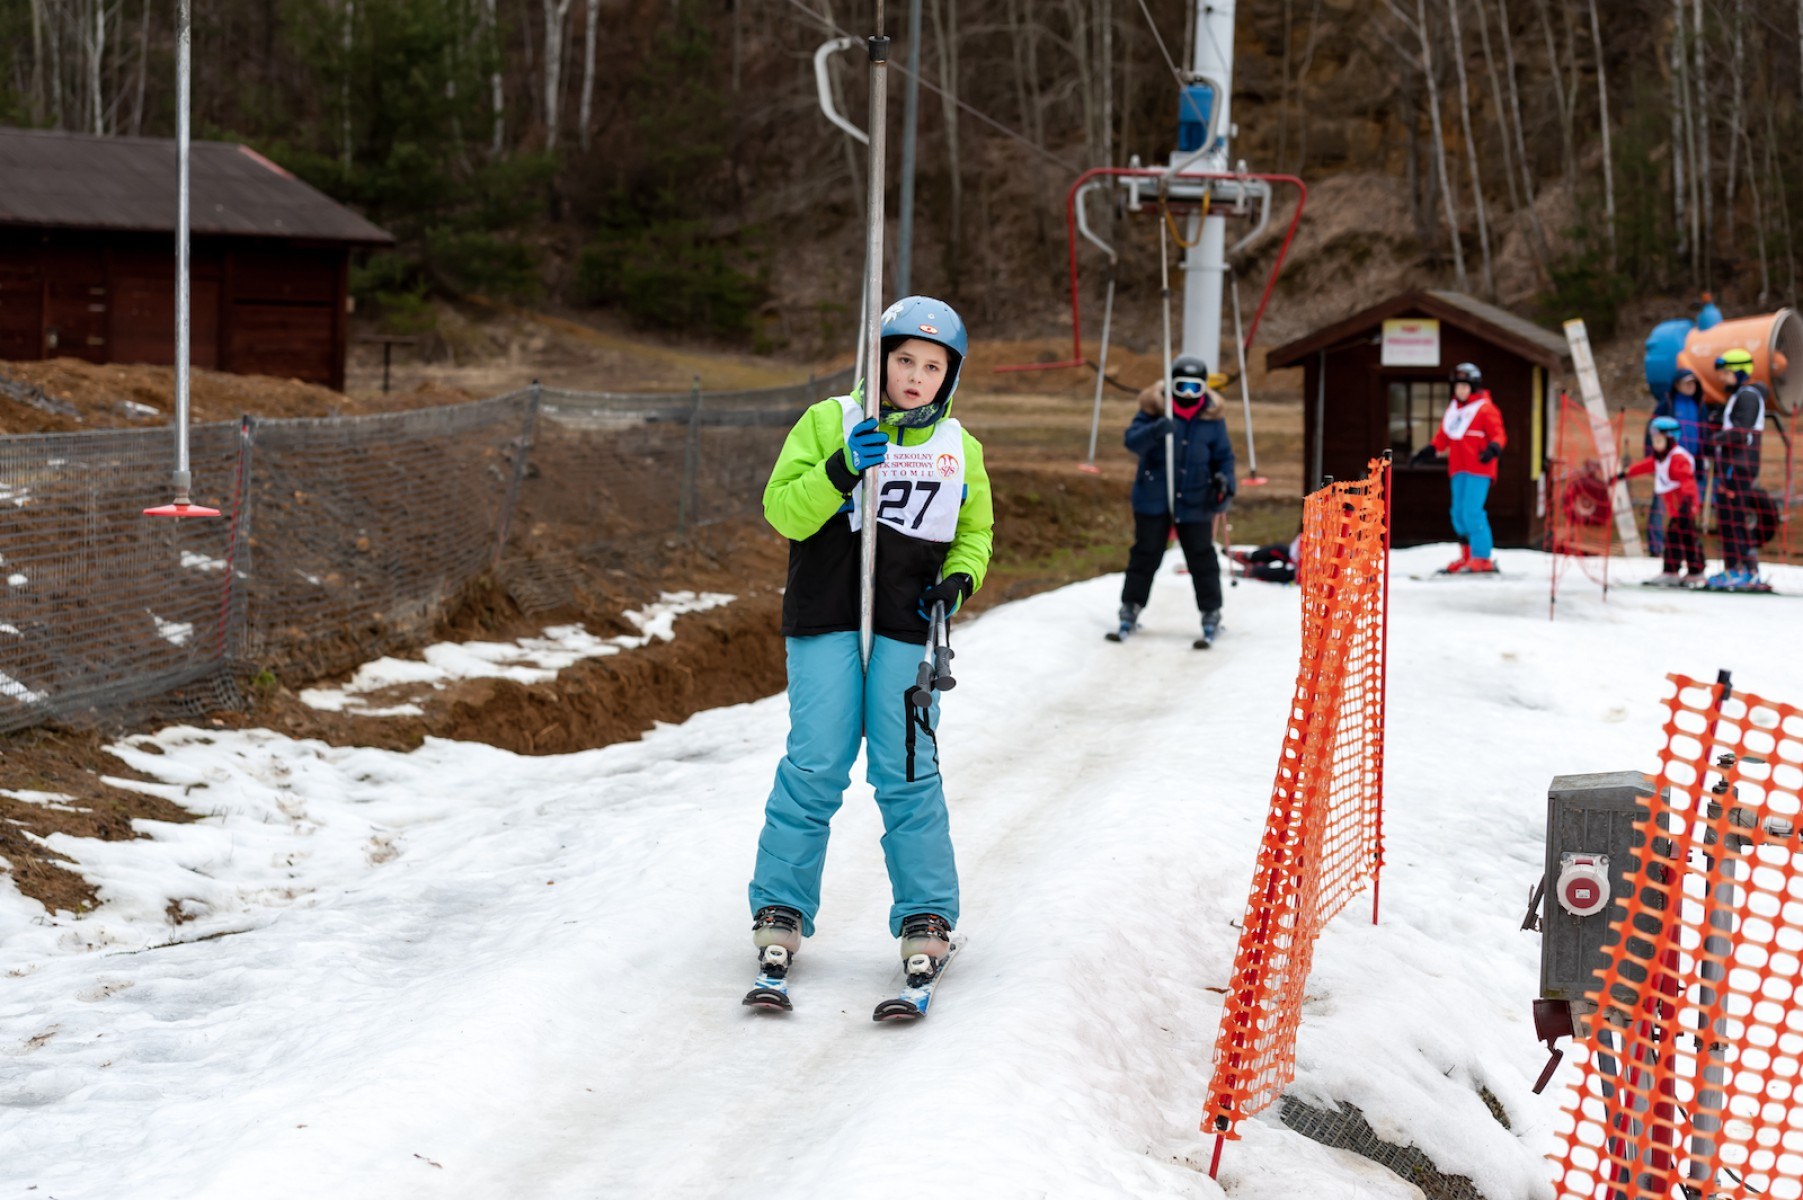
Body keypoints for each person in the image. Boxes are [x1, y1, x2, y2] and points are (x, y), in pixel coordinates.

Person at [744, 295, 994, 1004]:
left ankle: (926, 915)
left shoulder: (958, 448)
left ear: (948, 378)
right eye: (903, 359)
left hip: (906, 626)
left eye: (931, 366)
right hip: (826, 617)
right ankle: (780, 907)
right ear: (877, 361)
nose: (914, 376)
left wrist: (958, 580)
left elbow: (974, 532)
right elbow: (780, 510)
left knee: (907, 773)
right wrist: (837, 469)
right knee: (815, 764)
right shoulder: (830, 422)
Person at [1111, 353, 1236, 646]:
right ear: (1171, 386)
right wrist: (1156, 430)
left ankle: (1210, 611)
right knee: (1146, 553)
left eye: (1195, 388)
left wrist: (1224, 482)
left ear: (1205, 388)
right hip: (1154, 497)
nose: (1188, 395)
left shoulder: (1212, 418)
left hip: (1195, 498)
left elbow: (1224, 457)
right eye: (1182, 387)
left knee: (1201, 556)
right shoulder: (1155, 410)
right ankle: (1131, 606)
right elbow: (1132, 441)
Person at [1411, 362, 1506, 574]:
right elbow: (1442, 439)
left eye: (1465, 386)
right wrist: (1425, 453)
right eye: (1457, 386)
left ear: (1473, 387)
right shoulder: (1453, 410)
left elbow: (1499, 435)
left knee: (1472, 511)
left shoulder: (1485, 409)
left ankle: (1482, 557)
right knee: (1458, 513)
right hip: (1458, 468)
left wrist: (1492, 449)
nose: (1460, 390)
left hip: (1479, 468)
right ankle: (1467, 555)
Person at [1616, 416, 1704, 587]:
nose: (1655, 444)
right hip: (1676, 510)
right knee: (1674, 538)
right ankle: (1672, 571)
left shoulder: (1678, 459)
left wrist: (1688, 503)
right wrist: (1624, 474)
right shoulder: (1660, 458)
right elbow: (1644, 466)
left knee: (1687, 538)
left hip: (1685, 507)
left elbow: (1688, 481)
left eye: (1659, 440)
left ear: (1670, 439)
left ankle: (1695, 571)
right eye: (1653, 440)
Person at [1705, 348, 1767, 590]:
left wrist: (1716, 438)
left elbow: (1741, 431)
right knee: (1728, 517)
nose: (1722, 377)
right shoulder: (1738, 395)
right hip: (1731, 465)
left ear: (1740, 371)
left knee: (1733, 517)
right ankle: (1738, 568)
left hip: (1739, 467)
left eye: (1726, 372)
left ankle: (1742, 570)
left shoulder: (1748, 396)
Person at [1645, 368, 1707, 555]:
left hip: (1690, 465)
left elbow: (1705, 433)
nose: (1690, 387)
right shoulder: (1666, 406)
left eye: (1693, 383)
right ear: (1677, 385)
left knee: (1688, 507)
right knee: (1661, 503)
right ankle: (1656, 547)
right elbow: (1652, 433)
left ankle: (1684, 548)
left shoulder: (1700, 407)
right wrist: (1652, 456)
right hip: (1669, 463)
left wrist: (1704, 457)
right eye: (1686, 383)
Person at [1230, 533, 1302, 585]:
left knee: (1284, 573)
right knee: (1278, 549)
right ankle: (1250, 557)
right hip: (1295, 556)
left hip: (1300, 572)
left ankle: (1255, 572)